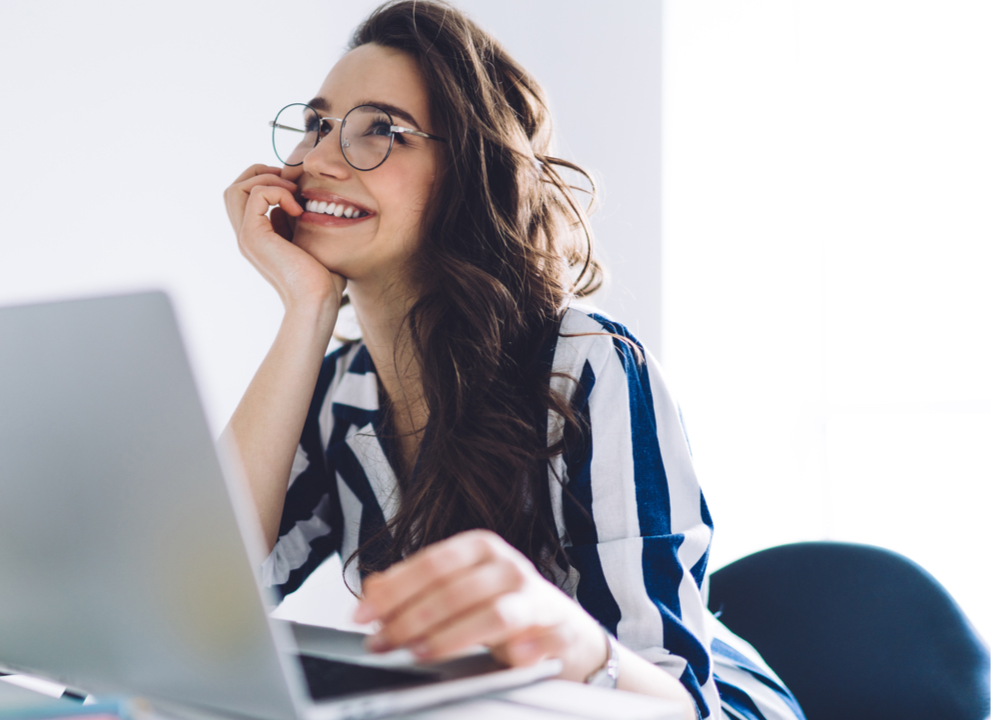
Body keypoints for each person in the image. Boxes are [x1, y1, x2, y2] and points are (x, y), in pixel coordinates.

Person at [223, 2, 804, 719]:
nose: (316, 160)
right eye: (316, 125)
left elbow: (681, 701)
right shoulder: (340, 392)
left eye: (381, 131)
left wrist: (566, 638)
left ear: (468, 170)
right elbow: (204, 599)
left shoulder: (590, 365)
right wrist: (304, 310)